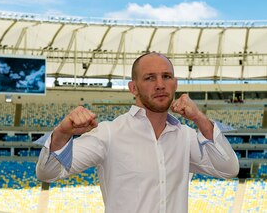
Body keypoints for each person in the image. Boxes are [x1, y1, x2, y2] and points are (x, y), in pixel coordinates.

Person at [35, 52, 239, 213]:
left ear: (175, 84)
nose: (160, 85)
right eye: (150, 78)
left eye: (166, 77)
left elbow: (229, 168)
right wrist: (62, 132)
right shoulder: (109, 134)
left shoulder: (185, 137)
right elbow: (47, 172)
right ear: (133, 88)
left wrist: (200, 119)